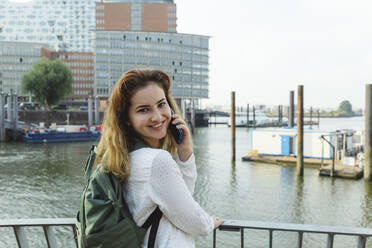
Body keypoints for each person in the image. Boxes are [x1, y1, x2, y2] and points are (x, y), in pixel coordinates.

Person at [95, 69, 223, 247]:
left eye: (161, 104)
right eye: (144, 110)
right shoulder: (155, 160)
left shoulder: (126, 156)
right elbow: (191, 219)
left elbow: (179, 198)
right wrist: (209, 223)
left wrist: (184, 152)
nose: (157, 116)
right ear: (127, 119)